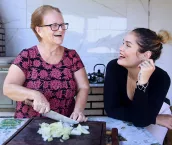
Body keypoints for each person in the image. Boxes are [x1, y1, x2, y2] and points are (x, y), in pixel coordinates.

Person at [3, 5, 89, 122]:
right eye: (54, 25)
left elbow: (83, 87)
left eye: (62, 25)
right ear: (39, 30)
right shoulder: (27, 56)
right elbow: (8, 88)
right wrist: (35, 94)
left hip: (64, 125)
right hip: (29, 126)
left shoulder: (72, 56)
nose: (61, 29)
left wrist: (78, 110)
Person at [104, 28, 172, 144]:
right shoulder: (114, 67)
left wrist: (142, 82)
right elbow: (111, 110)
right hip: (155, 117)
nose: (121, 48)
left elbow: (141, 120)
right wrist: (155, 118)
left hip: (158, 110)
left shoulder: (161, 78)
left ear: (145, 55)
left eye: (128, 45)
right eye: (123, 43)